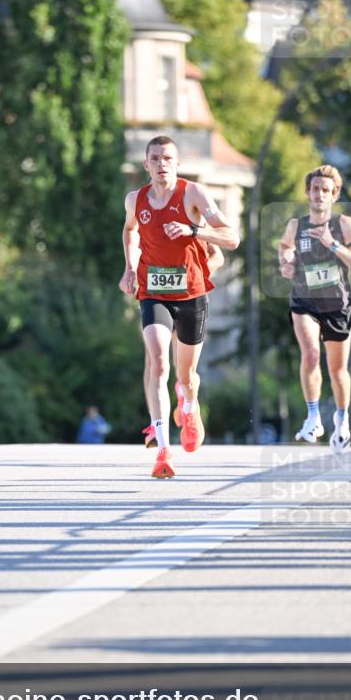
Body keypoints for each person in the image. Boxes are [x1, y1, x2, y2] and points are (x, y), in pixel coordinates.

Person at [119, 135, 239, 478]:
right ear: (146, 164)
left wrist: (193, 230)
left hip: (192, 295)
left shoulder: (193, 194)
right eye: (155, 158)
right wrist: (129, 268)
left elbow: (231, 238)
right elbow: (130, 232)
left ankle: (189, 404)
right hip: (153, 293)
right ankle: (162, 450)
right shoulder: (135, 200)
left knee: (186, 375)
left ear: (177, 163)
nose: (161, 164)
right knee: (158, 362)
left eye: (167, 158)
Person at [278, 164, 351, 453]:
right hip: (304, 302)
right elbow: (284, 247)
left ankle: (341, 420)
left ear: (334, 195)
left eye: (325, 190)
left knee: (338, 370)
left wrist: (334, 247)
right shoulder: (296, 225)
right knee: (310, 353)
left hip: (337, 305)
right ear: (308, 192)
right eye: (315, 189)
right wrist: (287, 262)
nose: (319, 194)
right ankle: (313, 417)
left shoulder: (343, 225)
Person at [142, 242, 225, 448]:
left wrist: (197, 272)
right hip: (157, 296)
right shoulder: (149, 215)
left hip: (188, 299)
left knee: (184, 371)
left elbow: (218, 256)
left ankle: (187, 403)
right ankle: (155, 421)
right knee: (154, 362)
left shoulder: (194, 215)